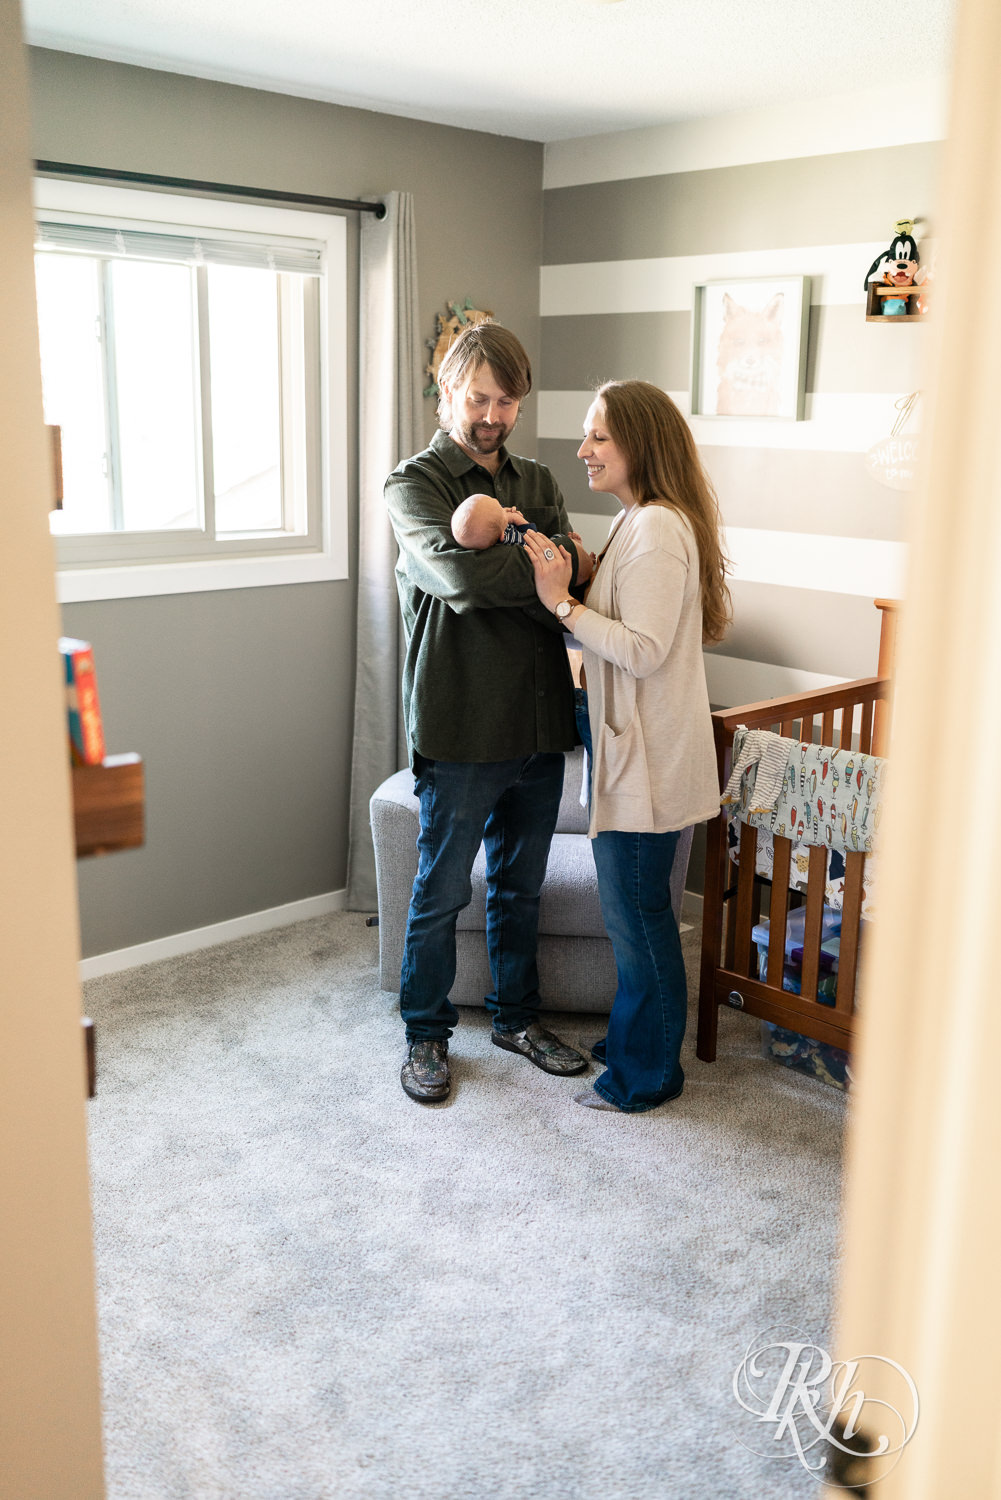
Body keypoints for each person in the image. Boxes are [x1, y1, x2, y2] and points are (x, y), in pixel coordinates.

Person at [385, 322, 590, 1104]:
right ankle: (426, 1034)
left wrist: (541, 570)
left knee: (519, 887)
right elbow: (461, 585)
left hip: (539, 720)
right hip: (462, 722)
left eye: (506, 401)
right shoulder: (413, 484)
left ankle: (516, 1018)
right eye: (479, 398)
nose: (492, 415)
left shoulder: (537, 478)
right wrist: (538, 567)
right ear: (446, 393)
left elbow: (570, 588)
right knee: (441, 890)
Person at [524, 380, 730, 1113]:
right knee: (634, 920)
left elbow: (640, 650)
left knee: (639, 925)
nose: (582, 450)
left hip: (646, 768)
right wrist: (584, 573)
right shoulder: (641, 523)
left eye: (598, 438)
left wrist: (561, 601)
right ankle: (637, 1038)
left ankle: (645, 1077)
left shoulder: (657, 529)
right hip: (634, 757)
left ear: (639, 444)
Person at [451, 493, 594, 575]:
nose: (497, 502)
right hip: (543, 552)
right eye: (500, 509)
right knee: (559, 541)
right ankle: (579, 550)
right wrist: (519, 520)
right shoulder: (510, 539)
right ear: (502, 536)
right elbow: (532, 535)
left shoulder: (492, 536)